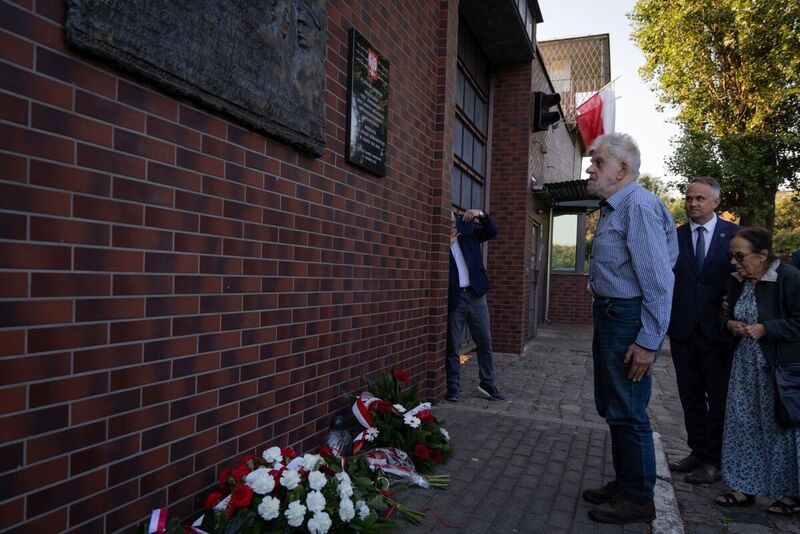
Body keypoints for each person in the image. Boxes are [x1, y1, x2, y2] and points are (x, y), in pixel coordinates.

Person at [580, 133, 678, 524]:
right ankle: (626, 485)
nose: (590, 168)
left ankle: (638, 499)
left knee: (629, 408)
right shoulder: (615, 208)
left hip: (627, 317)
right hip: (612, 315)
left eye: (598, 162)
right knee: (614, 405)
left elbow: (659, 281)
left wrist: (648, 343)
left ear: (622, 169)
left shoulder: (638, 206)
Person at [714, 227, 800, 516]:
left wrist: (767, 328)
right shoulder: (736, 280)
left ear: (762, 256)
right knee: (742, 423)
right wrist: (728, 323)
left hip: (779, 370)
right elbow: (723, 312)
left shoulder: (789, 278)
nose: (734, 262)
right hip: (744, 366)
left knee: (782, 428)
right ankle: (744, 486)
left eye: (740, 256)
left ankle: (792, 493)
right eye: (731, 256)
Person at [667, 177, 740, 484]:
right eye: (689, 198)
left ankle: (714, 459)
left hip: (718, 333)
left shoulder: (734, 236)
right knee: (690, 396)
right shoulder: (675, 236)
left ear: (716, 202)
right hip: (683, 330)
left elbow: (744, 280)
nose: (692, 203)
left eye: (699, 198)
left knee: (718, 398)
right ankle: (697, 451)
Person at [445, 207, 505, 402]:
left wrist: (481, 214)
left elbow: (492, 231)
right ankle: (453, 387)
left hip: (476, 295)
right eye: (447, 221)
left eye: (453, 219)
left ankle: (488, 383)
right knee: (453, 345)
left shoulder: (468, 233)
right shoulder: (440, 241)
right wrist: (446, 245)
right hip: (455, 297)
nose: (451, 224)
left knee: (484, 341)